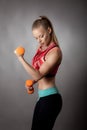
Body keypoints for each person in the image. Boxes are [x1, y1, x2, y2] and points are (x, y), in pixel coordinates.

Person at [15, 16, 63, 130]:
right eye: (36, 38)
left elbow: (38, 74)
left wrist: (20, 58)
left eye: (41, 36)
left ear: (49, 30)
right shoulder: (41, 48)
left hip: (51, 99)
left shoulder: (55, 52)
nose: (39, 40)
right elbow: (39, 74)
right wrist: (32, 82)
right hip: (41, 98)